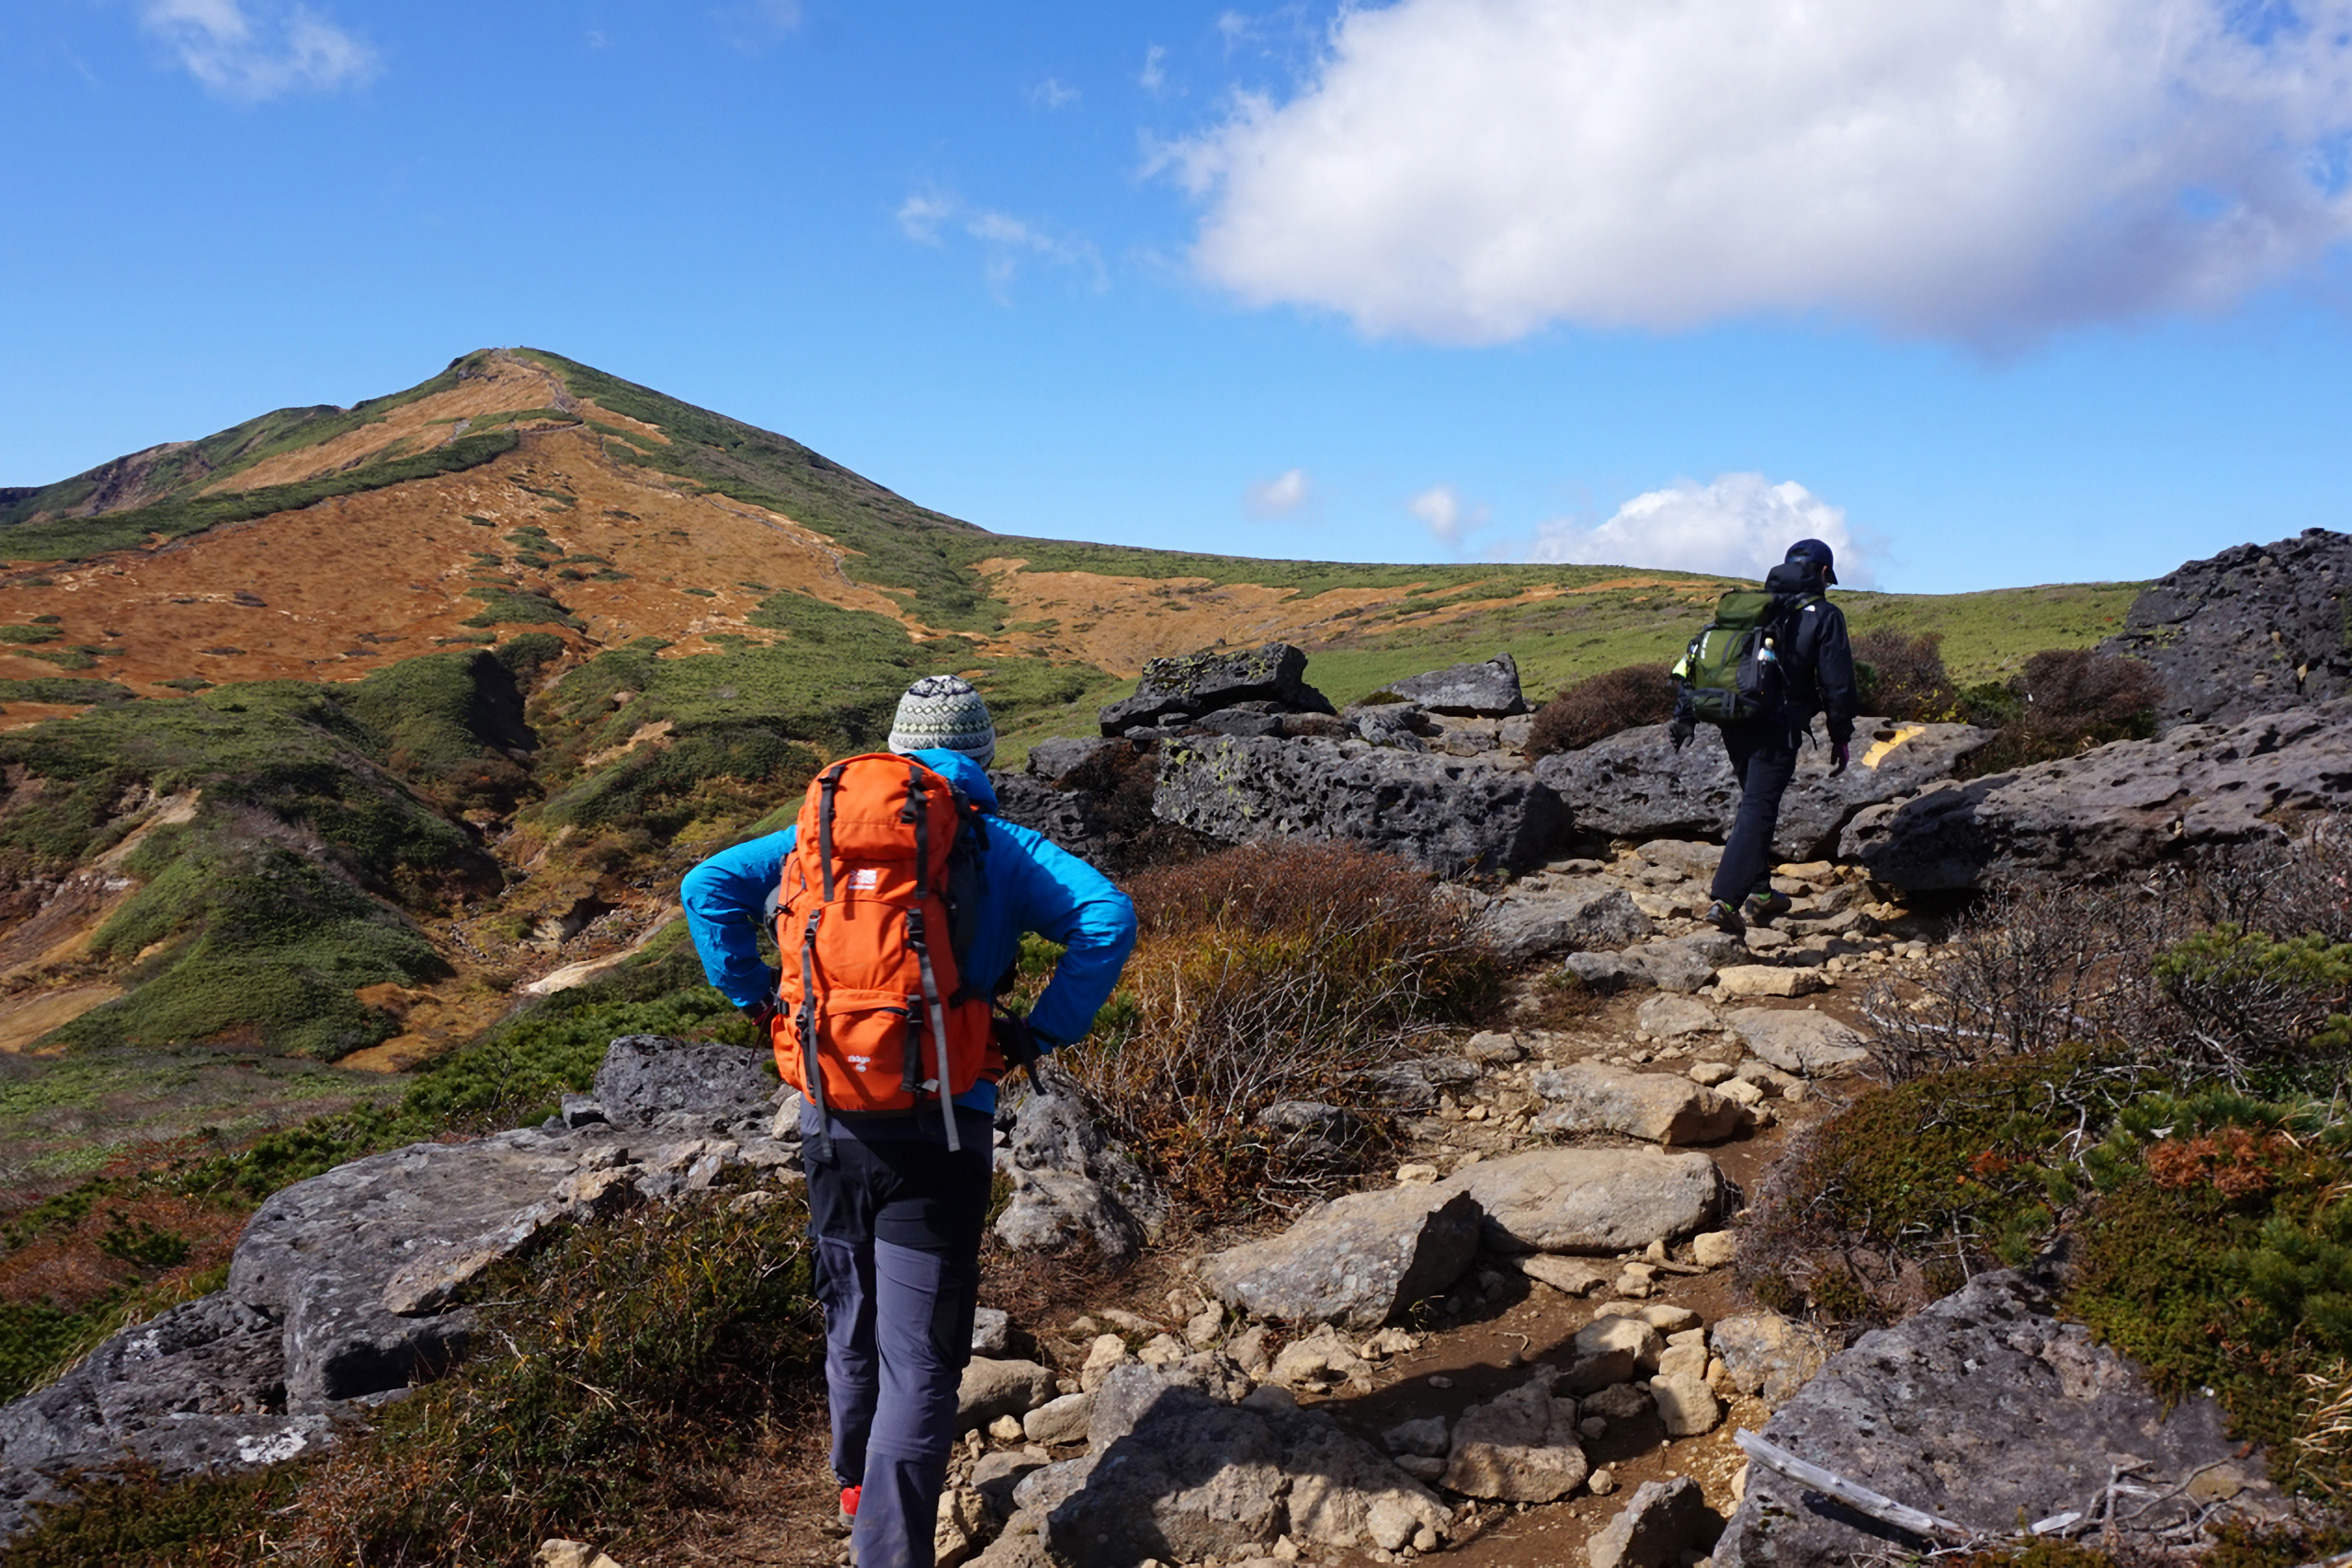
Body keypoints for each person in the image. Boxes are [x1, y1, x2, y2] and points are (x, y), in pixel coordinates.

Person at [680, 675, 1136, 1568]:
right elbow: (1107, 916)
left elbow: (707, 886)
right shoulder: (998, 845)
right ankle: (885, 1554)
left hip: (830, 1115)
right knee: (922, 1361)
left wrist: (759, 1004)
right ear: (985, 755)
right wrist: (1039, 1031)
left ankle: (854, 1481)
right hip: (944, 1127)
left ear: (893, 747)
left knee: (848, 1305)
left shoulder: (820, 832)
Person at [1699, 538, 1857, 933]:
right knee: (1759, 808)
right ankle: (1726, 898)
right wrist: (1840, 734)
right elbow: (1838, 684)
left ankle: (1762, 893)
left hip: (1734, 719)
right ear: (1822, 572)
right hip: (1778, 726)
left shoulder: (1755, 611)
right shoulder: (1824, 614)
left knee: (1754, 802)